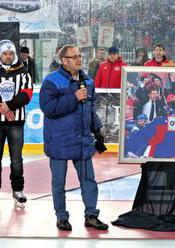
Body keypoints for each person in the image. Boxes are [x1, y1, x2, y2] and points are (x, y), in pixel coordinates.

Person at [39, 44, 108, 231]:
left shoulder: (88, 82)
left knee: (89, 181)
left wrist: (98, 131)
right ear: (64, 61)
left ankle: (91, 215)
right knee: (59, 183)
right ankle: (61, 217)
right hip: (59, 142)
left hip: (82, 141)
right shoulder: (51, 81)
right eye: (74, 56)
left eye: (80, 56)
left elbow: (90, 110)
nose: (79, 59)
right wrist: (74, 97)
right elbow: (49, 109)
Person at [0, 40, 33, 205]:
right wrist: (3, 108)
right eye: (5, 53)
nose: (8, 56)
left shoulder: (23, 72)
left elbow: (27, 94)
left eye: (11, 53)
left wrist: (9, 106)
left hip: (16, 122)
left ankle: (18, 190)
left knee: (16, 159)